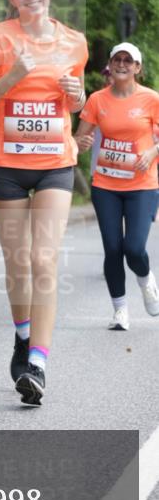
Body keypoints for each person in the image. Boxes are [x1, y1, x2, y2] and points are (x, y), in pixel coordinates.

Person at [0, 0, 88, 406]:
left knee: (43, 259)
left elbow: (75, 104)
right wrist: (11, 78)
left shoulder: (74, 42)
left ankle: (37, 363)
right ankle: (22, 336)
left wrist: (78, 97)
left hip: (55, 162)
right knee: (17, 262)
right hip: (7, 167)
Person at [75, 42, 159, 330]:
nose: (122, 64)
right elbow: (79, 139)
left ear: (137, 67)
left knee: (133, 248)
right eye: (117, 59)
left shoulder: (151, 99)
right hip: (106, 184)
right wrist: (82, 143)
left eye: (128, 60)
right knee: (112, 249)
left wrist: (152, 151)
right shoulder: (97, 100)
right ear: (110, 65)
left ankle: (146, 281)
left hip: (142, 185)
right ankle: (120, 311)